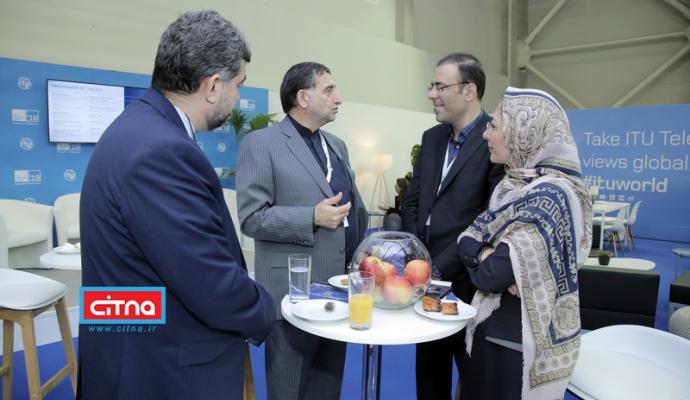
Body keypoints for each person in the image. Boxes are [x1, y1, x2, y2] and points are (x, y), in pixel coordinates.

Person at [78, 10, 275, 400]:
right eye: (239, 84)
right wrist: (266, 310)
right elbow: (208, 282)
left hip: (134, 350)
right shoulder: (162, 149)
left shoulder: (140, 126)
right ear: (213, 86)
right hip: (162, 368)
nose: (238, 97)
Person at [236, 62, 368, 400]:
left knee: (327, 389)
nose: (339, 98)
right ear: (302, 98)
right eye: (329, 90)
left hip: (339, 293)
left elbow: (355, 208)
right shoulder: (261, 143)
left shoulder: (337, 145)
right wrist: (311, 217)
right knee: (289, 389)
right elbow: (252, 217)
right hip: (293, 294)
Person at [457, 87, 593, 399]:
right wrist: (488, 252)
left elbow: (490, 275)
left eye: (493, 126)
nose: (485, 134)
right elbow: (466, 239)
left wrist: (484, 254)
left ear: (524, 133)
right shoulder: (513, 187)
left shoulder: (552, 196)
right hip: (495, 330)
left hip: (515, 346)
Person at [400, 53, 504, 399]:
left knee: (474, 378)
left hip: (469, 282)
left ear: (469, 90)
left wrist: (439, 265)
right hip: (425, 276)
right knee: (429, 374)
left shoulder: (495, 141)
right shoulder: (432, 138)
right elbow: (413, 200)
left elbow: (491, 217)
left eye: (440, 87)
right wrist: (418, 254)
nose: (432, 94)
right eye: (431, 86)